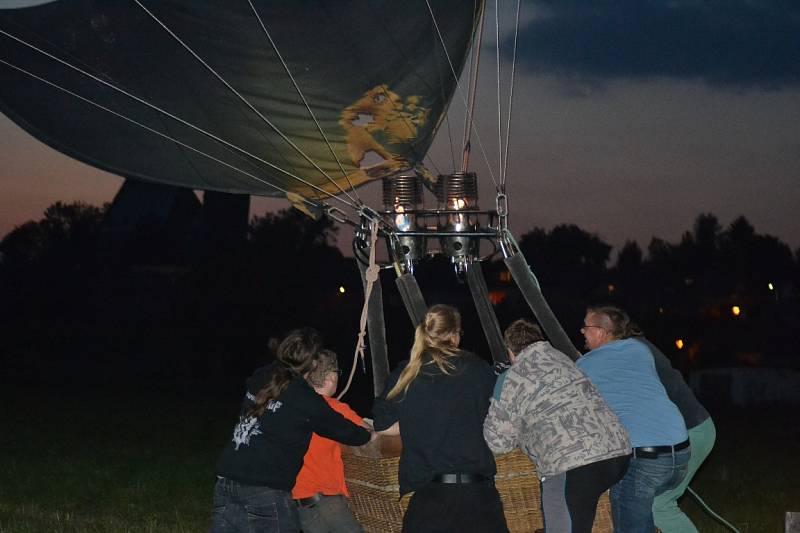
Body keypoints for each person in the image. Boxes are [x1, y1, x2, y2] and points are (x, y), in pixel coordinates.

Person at [211, 328, 372, 533]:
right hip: (265, 491)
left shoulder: (262, 376)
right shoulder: (304, 399)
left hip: (226, 483)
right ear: (313, 364)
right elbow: (351, 433)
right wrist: (369, 434)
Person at [484, 319, 632, 533]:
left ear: (511, 352)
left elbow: (497, 442)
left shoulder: (511, 377)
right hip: (618, 454)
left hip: (573, 464)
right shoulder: (563, 359)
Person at [373, 304, 509, 533]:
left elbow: (382, 425)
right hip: (478, 497)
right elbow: (497, 416)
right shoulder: (478, 369)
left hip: (431, 500)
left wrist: (415, 421)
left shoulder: (407, 373)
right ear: (455, 336)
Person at [576, 306, 690, 533]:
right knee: (648, 516)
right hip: (681, 453)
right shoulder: (641, 350)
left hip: (646, 459)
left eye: (586, 328)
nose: (581, 332)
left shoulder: (585, 365)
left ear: (600, 332)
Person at [638, 338, 716, 533]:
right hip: (673, 435)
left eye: (588, 327)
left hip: (689, 433)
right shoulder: (632, 348)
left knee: (658, 504)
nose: (582, 332)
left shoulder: (632, 351)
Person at [292, 349, 368, 533]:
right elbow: (367, 432)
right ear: (330, 378)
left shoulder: (294, 406)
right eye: (337, 373)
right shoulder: (336, 409)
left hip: (300, 504)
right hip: (328, 501)